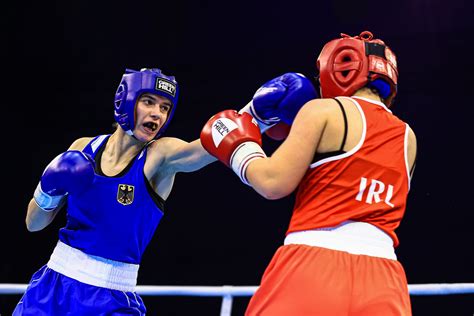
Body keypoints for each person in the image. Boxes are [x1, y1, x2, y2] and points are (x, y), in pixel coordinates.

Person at [14, 68, 317, 315]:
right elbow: (34, 223)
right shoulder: (82, 149)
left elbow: (207, 148)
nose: (157, 114)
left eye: (165, 107)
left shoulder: (159, 156)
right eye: (149, 102)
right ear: (127, 100)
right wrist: (48, 187)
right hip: (50, 286)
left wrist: (254, 115)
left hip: (109, 298)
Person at [201, 31, 416, 315]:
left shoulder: (323, 111)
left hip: (314, 264)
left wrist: (238, 147)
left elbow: (272, 182)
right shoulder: (407, 137)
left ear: (338, 66)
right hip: (385, 277)